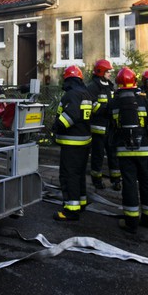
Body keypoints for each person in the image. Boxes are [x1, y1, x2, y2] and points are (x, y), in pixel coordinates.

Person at [110, 67, 148, 233]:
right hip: (144, 151)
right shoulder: (144, 101)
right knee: (147, 183)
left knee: (129, 184)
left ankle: (131, 222)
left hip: (124, 152)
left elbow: (111, 127)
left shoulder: (114, 104)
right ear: (135, 84)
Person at [53, 65, 93, 221]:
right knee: (79, 174)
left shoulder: (71, 95)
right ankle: (81, 202)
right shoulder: (86, 93)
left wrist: (57, 125)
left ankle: (71, 209)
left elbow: (72, 114)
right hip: (84, 141)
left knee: (69, 175)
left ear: (68, 80)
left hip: (72, 142)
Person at [87, 59, 121, 191]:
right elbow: (91, 105)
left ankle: (116, 180)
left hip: (111, 128)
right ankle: (96, 180)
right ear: (101, 72)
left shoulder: (110, 85)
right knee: (98, 156)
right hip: (98, 128)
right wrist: (107, 108)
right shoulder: (92, 87)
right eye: (108, 71)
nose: (110, 74)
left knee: (113, 154)